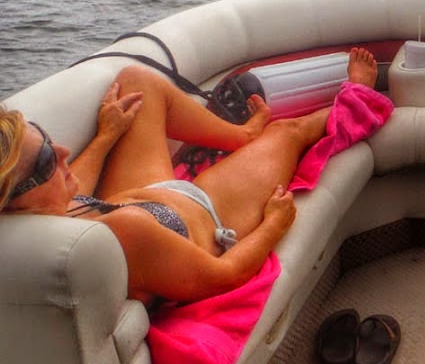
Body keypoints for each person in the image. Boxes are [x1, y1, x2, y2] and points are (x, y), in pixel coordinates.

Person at [0, 47, 380, 306]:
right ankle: (357, 95)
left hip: (135, 198)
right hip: (204, 215)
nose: (63, 152)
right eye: (48, 158)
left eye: (47, 138)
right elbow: (224, 275)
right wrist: (274, 225)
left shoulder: (40, 218)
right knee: (287, 133)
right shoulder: (122, 236)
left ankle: (243, 134)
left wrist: (106, 136)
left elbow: (74, 191)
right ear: (17, 199)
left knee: (137, 81)